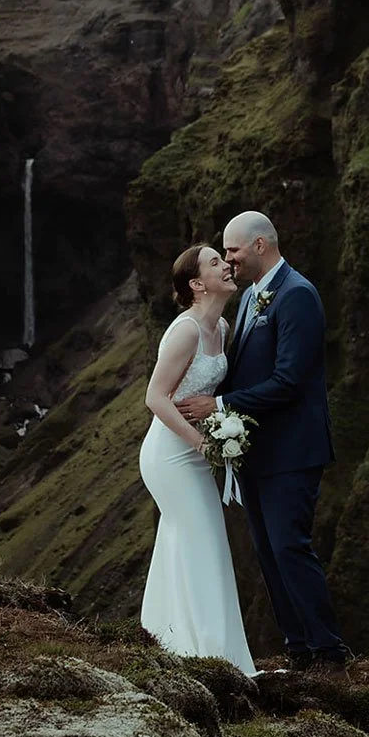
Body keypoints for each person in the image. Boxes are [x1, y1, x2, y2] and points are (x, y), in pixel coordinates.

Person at [177, 210, 348, 672]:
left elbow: (289, 380)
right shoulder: (252, 295)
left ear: (259, 245)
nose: (228, 259)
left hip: (293, 450)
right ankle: (299, 648)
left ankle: (329, 654)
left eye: (232, 250)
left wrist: (222, 406)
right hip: (256, 449)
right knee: (268, 551)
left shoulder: (297, 296)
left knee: (290, 546)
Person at [139, 242, 257, 676]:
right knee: (204, 541)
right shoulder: (185, 330)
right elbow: (155, 397)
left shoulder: (221, 328)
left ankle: (173, 644)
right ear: (196, 284)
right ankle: (213, 658)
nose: (226, 265)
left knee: (186, 544)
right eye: (214, 263)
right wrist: (201, 444)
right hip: (169, 456)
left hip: (193, 452)